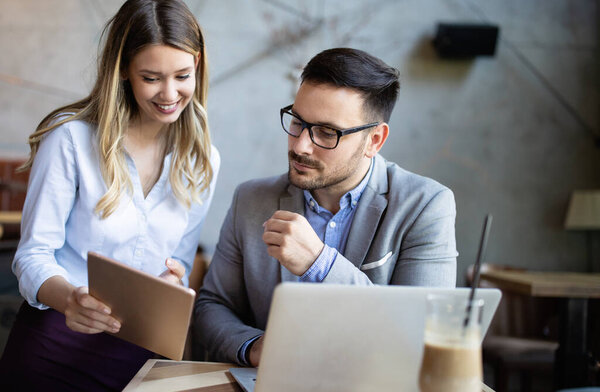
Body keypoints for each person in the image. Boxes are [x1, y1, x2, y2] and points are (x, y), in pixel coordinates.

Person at [0, 0, 219, 390]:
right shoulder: (70, 139)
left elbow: (181, 262)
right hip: (55, 349)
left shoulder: (203, 161)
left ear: (197, 64)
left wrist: (174, 282)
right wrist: (70, 300)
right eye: (151, 78)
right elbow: (32, 254)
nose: (170, 93)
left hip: (143, 359)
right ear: (123, 71)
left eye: (182, 75)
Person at [194, 48, 457, 367]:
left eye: (326, 132)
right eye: (298, 122)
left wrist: (320, 262)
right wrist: (253, 346)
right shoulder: (251, 200)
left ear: (374, 140)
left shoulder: (425, 205)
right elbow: (212, 306)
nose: (300, 145)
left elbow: (424, 337)